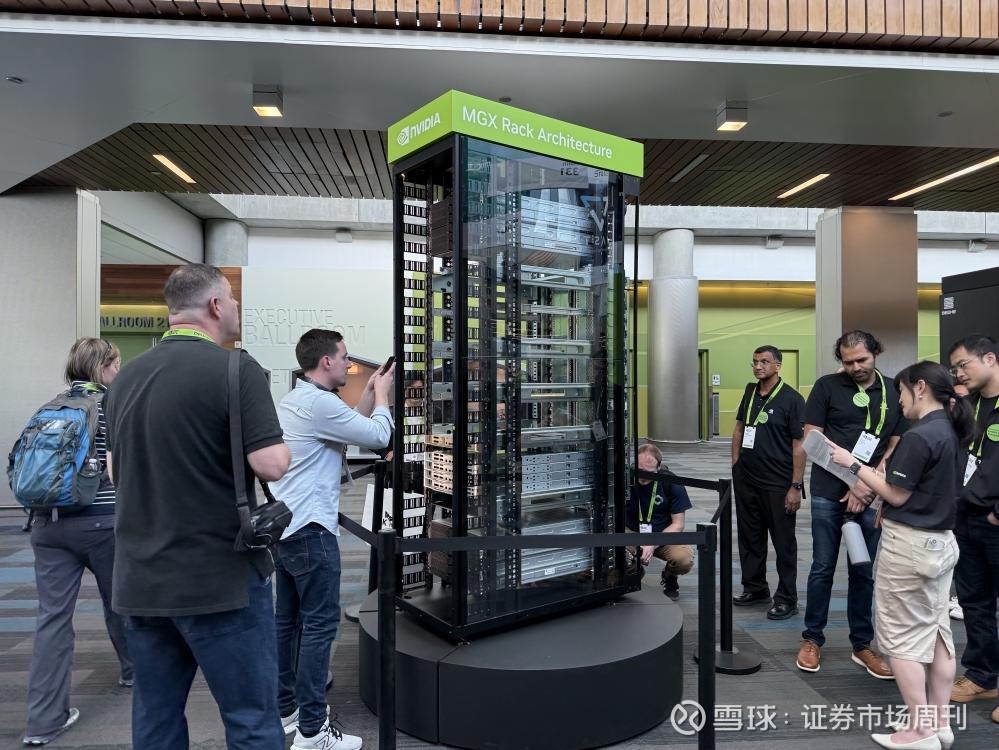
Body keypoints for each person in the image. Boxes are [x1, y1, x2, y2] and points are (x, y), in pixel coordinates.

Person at [103, 264, 290, 749]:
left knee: (156, 717)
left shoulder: (125, 378)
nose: (236, 308)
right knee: (251, 719)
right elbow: (270, 465)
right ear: (214, 305)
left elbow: (115, 473)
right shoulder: (236, 369)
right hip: (219, 580)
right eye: (232, 299)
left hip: (140, 579)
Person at [828, 361, 972, 750]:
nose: (900, 402)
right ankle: (937, 722)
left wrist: (851, 463)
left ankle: (919, 731)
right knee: (937, 633)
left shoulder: (920, 435)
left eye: (902, 393)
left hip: (910, 547)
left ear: (920, 387)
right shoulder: (952, 429)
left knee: (902, 640)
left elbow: (896, 494)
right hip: (941, 543)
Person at [271, 329, 394, 750]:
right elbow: (377, 436)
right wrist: (384, 397)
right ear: (326, 361)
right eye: (344, 357)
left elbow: (350, 426)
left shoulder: (300, 398)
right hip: (311, 532)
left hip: (287, 529)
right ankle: (312, 732)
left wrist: (371, 392)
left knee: (288, 624)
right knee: (320, 628)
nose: (349, 364)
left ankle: (287, 711)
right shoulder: (319, 404)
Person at [21, 338, 132, 746]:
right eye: (116, 365)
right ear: (102, 368)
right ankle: (135, 670)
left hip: (47, 525)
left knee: (52, 619)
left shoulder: (50, 407)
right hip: (102, 522)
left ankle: (43, 722)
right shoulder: (110, 406)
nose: (119, 372)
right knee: (121, 602)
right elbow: (122, 470)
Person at [797, 330, 906, 678]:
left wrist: (868, 483)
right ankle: (812, 638)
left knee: (863, 570)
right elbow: (812, 440)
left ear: (876, 353)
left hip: (872, 494)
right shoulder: (827, 387)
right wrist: (853, 481)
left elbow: (896, 442)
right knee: (822, 567)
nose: (856, 367)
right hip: (829, 491)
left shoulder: (893, 390)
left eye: (862, 359)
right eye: (848, 362)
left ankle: (862, 644)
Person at [731, 345, 806, 620]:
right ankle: (755, 588)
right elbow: (739, 428)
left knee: (783, 543)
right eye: (755, 362)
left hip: (778, 483)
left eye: (764, 362)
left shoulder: (792, 399)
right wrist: (736, 465)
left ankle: (787, 598)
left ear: (778, 366)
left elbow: (799, 445)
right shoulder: (750, 392)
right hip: (747, 480)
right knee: (750, 537)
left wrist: (795, 486)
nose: (758, 366)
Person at [946, 335, 999, 723]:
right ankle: (983, 676)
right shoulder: (969, 406)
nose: (959, 374)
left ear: (990, 358)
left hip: (996, 518)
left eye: (963, 365)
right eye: (954, 369)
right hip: (966, 518)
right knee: (975, 601)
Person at [625, 442, 694, 600]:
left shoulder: (671, 482)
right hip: (632, 532)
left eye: (649, 473)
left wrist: (653, 542)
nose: (643, 476)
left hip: (663, 534)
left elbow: (678, 524)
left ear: (659, 468)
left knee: (683, 559)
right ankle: (634, 571)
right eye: (639, 470)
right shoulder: (627, 478)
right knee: (615, 556)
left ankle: (670, 575)